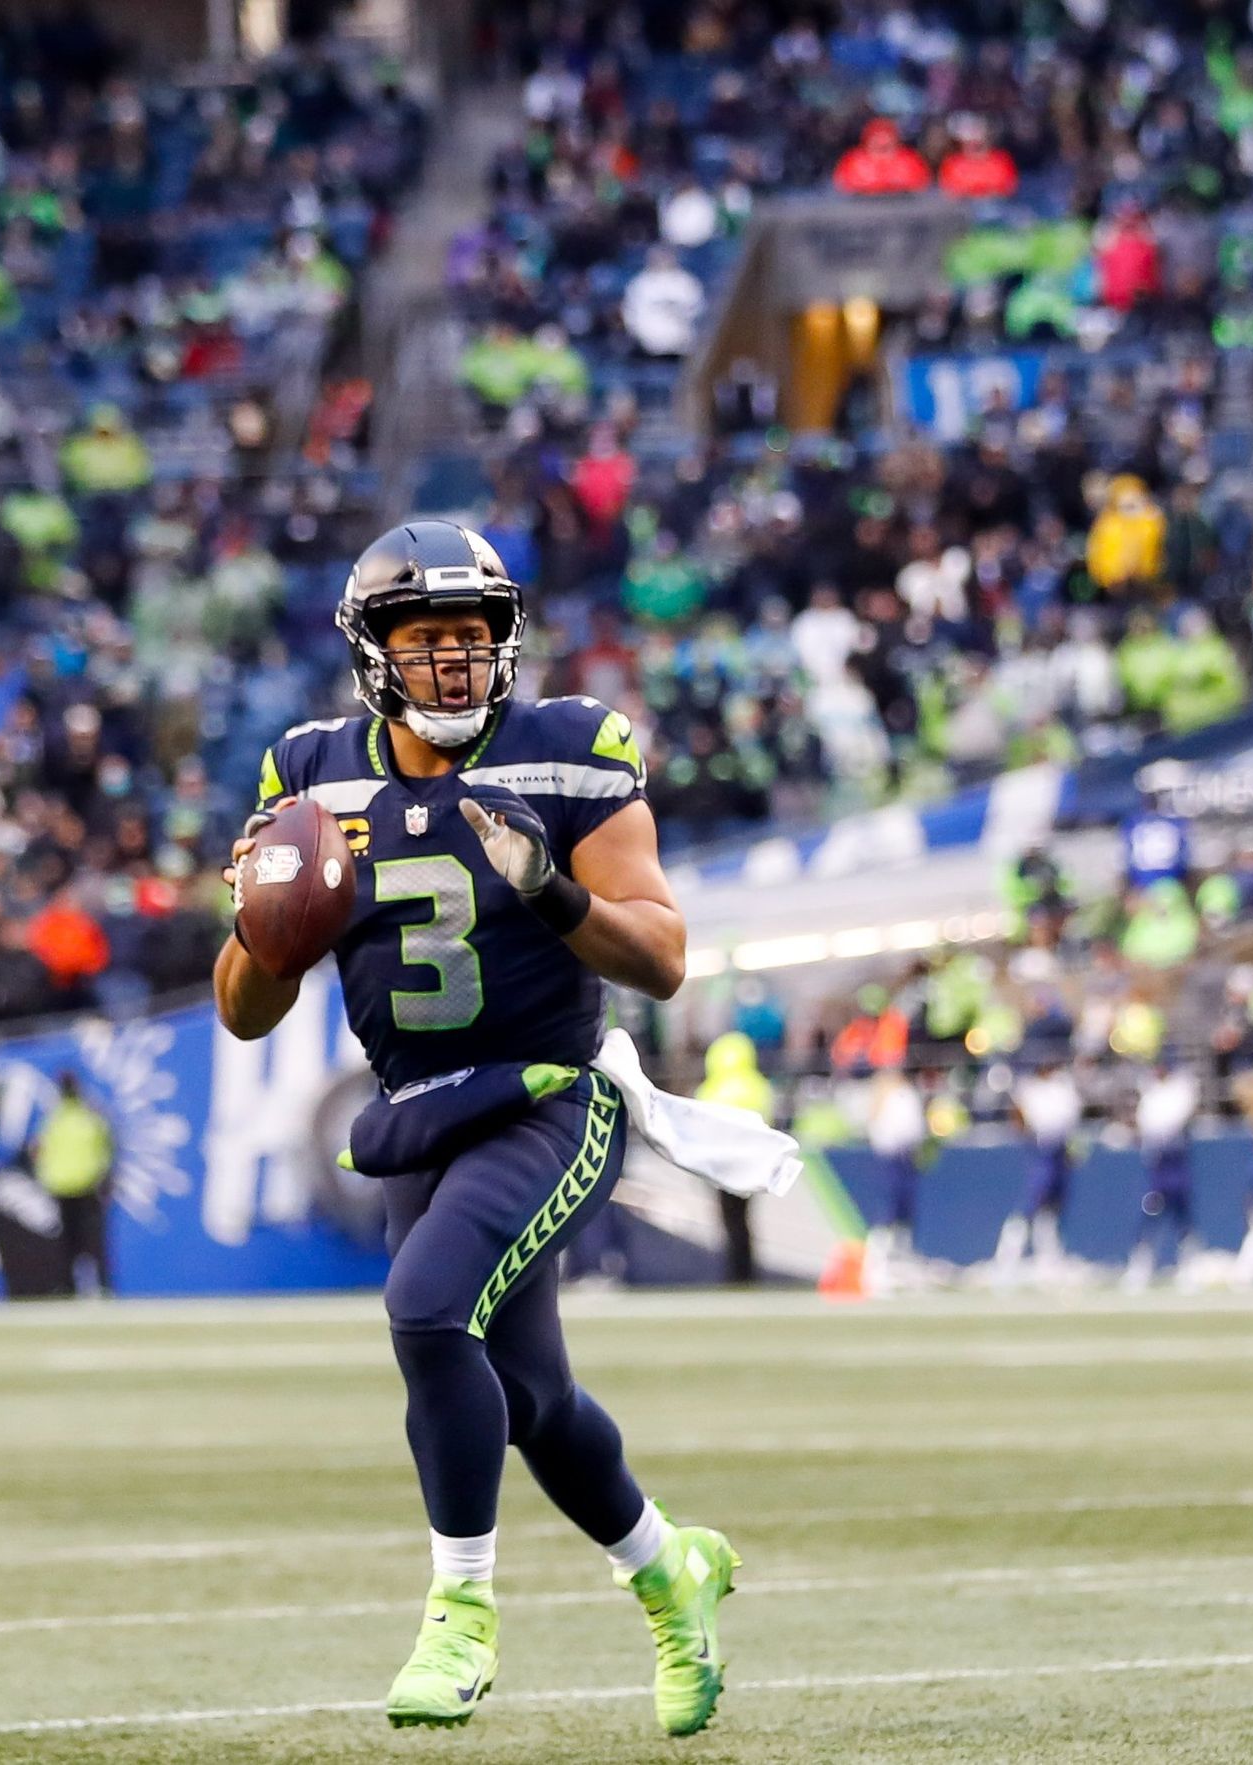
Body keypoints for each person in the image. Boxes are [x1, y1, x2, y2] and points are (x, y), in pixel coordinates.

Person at [215, 521, 738, 1735]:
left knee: (426, 1307)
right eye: (426, 639)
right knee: (532, 1394)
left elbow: (661, 957)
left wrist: (551, 890)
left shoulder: (570, 750)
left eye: (472, 636)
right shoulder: (308, 770)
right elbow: (246, 1011)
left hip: (551, 1091)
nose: (454, 662)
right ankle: (670, 1567)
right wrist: (264, 920)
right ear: (374, 653)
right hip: (417, 1110)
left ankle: (461, 1611)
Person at [694, 1031, 770, 1285]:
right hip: (751, 1164)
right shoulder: (758, 1086)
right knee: (744, 1221)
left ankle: (735, 1273)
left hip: (721, 1167)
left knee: (729, 1221)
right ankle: (745, 1272)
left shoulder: (711, 1088)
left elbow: (701, 1131)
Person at [996, 1057, 1081, 1281]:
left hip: (1059, 1149)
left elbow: (1070, 1118)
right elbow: (1019, 1115)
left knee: (1053, 1207)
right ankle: (1007, 1258)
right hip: (1041, 1148)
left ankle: (1049, 1258)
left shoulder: (1062, 1086)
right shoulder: (1030, 1088)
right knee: (1031, 1204)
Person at [33, 1071, 115, 1295]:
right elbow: (107, 1150)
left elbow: (39, 1152)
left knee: (67, 1243)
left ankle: (68, 1289)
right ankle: (103, 1288)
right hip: (88, 1186)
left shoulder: (52, 1120)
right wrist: (106, 1179)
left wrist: (45, 1178)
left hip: (61, 1187)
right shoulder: (91, 1117)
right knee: (94, 1242)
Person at [1127, 1053, 1199, 1289]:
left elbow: (1172, 1121)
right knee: (1151, 1210)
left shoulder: (1181, 1089)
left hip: (1176, 1159)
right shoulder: (1150, 1090)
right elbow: (1146, 1122)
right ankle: (1141, 1264)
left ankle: (1188, 1265)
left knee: (1182, 1213)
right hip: (1157, 1161)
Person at [863, 1066, 926, 1291]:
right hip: (891, 1158)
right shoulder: (886, 1095)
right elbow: (880, 1129)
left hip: (907, 1157)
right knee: (887, 1212)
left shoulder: (906, 1094)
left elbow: (915, 1129)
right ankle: (875, 1269)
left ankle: (901, 1267)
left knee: (905, 1214)